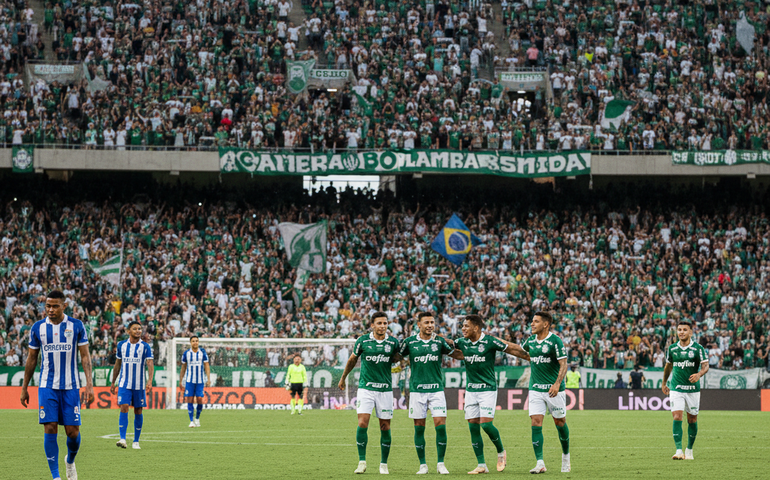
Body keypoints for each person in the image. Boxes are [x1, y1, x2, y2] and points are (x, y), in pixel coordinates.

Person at [20, 290, 94, 480]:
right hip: (47, 386)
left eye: (55, 306)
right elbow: (31, 359)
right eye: (48, 306)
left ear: (64, 306)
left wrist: (89, 384)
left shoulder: (76, 326)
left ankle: (70, 460)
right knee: (50, 427)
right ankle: (56, 476)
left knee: (72, 432)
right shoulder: (38, 328)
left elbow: (85, 356)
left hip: (71, 386)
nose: (51, 310)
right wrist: (24, 387)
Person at [454, 314, 527, 474]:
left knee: (486, 424)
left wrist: (531, 356)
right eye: (462, 326)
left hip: (487, 389)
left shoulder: (490, 341)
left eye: (466, 326)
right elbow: (449, 347)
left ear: (476, 328)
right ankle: (482, 465)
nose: (463, 329)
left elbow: (511, 348)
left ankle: (501, 452)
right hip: (471, 390)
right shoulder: (462, 342)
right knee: (473, 427)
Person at [399, 312, 464, 475]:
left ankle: (441, 463)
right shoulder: (409, 342)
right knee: (419, 429)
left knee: (440, 427)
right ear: (419, 325)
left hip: (436, 391)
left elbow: (455, 354)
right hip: (417, 391)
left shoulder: (439, 341)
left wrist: (474, 354)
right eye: (426, 322)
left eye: (432, 322)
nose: (430, 325)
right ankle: (423, 465)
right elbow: (396, 357)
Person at [338, 311, 401, 475]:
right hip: (366, 388)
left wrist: (403, 363)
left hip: (385, 390)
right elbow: (352, 360)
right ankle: (362, 462)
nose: (382, 326)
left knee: (385, 426)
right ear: (372, 325)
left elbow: (399, 359)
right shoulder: (363, 341)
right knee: (362, 423)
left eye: (385, 323)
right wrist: (343, 378)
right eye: (379, 323)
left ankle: (384, 464)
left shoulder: (393, 343)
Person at [520, 311, 571, 474]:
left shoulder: (555, 341)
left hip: (553, 390)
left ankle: (566, 456)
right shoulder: (530, 341)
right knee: (535, 422)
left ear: (545, 324)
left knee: (560, 422)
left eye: (536, 321)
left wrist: (557, 384)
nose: (532, 324)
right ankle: (540, 463)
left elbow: (564, 364)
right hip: (535, 389)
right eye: (532, 321)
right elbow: (521, 352)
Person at [662, 319, 709, 460]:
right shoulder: (672, 349)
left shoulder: (698, 349)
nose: (681, 332)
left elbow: (705, 366)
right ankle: (678, 451)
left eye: (684, 330)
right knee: (677, 416)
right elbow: (668, 366)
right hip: (676, 387)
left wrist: (699, 374)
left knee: (692, 419)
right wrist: (664, 382)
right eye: (679, 330)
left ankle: (689, 450)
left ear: (691, 332)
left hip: (693, 389)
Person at [110, 320, 154, 449]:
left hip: (139, 385)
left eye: (139, 329)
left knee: (138, 410)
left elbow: (150, 363)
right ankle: (122, 438)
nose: (138, 331)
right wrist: (113, 381)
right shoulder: (122, 345)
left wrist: (150, 381)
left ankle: (136, 441)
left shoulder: (145, 346)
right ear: (128, 331)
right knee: (124, 407)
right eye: (135, 329)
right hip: (124, 383)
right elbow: (118, 364)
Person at [179, 336, 210, 428]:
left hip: (200, 381)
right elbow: (183, 367)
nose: (195, 342)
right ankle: (191, 421)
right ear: (190, 343)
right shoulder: (186, 353)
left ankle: (197, 418)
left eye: (196, 341)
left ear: (198, 342)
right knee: (190, 399)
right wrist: (181, 380)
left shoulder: (202, 352)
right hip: (189, 381)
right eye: (193, 341)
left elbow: (206, 365)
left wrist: (208, 379)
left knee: (199, 399)